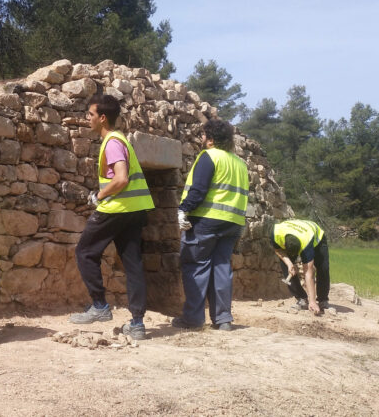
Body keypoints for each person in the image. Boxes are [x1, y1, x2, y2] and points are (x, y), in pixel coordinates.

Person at [68, 94, 155, 340]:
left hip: (116, 209)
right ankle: (137, 324)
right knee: (133, 265)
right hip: (136, 211)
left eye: (90, 115)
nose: (87, 118)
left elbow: (121, 178)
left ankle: (99, 306)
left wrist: (99, 196)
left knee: (85, 252)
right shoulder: (121, 140)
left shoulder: (113, 142)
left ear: (102, 118)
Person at [173, 119, 249, 331]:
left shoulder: (209, 156)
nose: (201, 139)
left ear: (211, 140)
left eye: (203, 135)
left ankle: (193, 320)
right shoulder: (240, 164)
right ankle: (223, 319)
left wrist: (183, 210)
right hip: (233, 223)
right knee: (221, 268)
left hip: (207, 220)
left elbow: (198, 189)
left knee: (196, 266)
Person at [271, 219, 330, 315]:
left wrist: (313, 301)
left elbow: (308, 273)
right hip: (294, 234)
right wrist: (289, 264)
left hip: (316, 237)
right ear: (284, 244)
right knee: (286, 266)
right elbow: (277, 249)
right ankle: (302, 299)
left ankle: (323, 300)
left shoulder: (306, 243)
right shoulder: (276, 232)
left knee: (323, 267)